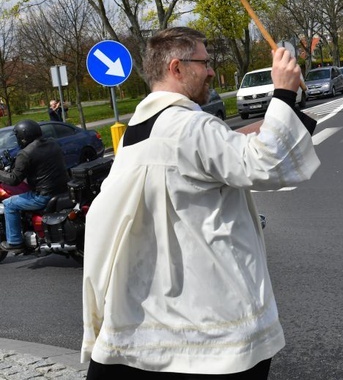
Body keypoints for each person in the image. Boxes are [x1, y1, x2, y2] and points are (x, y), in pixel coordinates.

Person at [81, 27, 320, 379]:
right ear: (177, 68)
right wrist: (283, 92)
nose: (211, 71)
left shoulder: (141, 128)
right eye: (204, 63)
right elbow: (265, 165)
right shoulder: (187, 126)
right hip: (211, 323)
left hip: (151, 314)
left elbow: (214, 154)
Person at [0, 119, 69, 251]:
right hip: (62, 189)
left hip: (43, 195)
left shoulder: (25, 153)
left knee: (9, 204)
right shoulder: (52, 143)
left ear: (24, 137)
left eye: (18, 137)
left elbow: (15, 179)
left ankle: (14, 242)